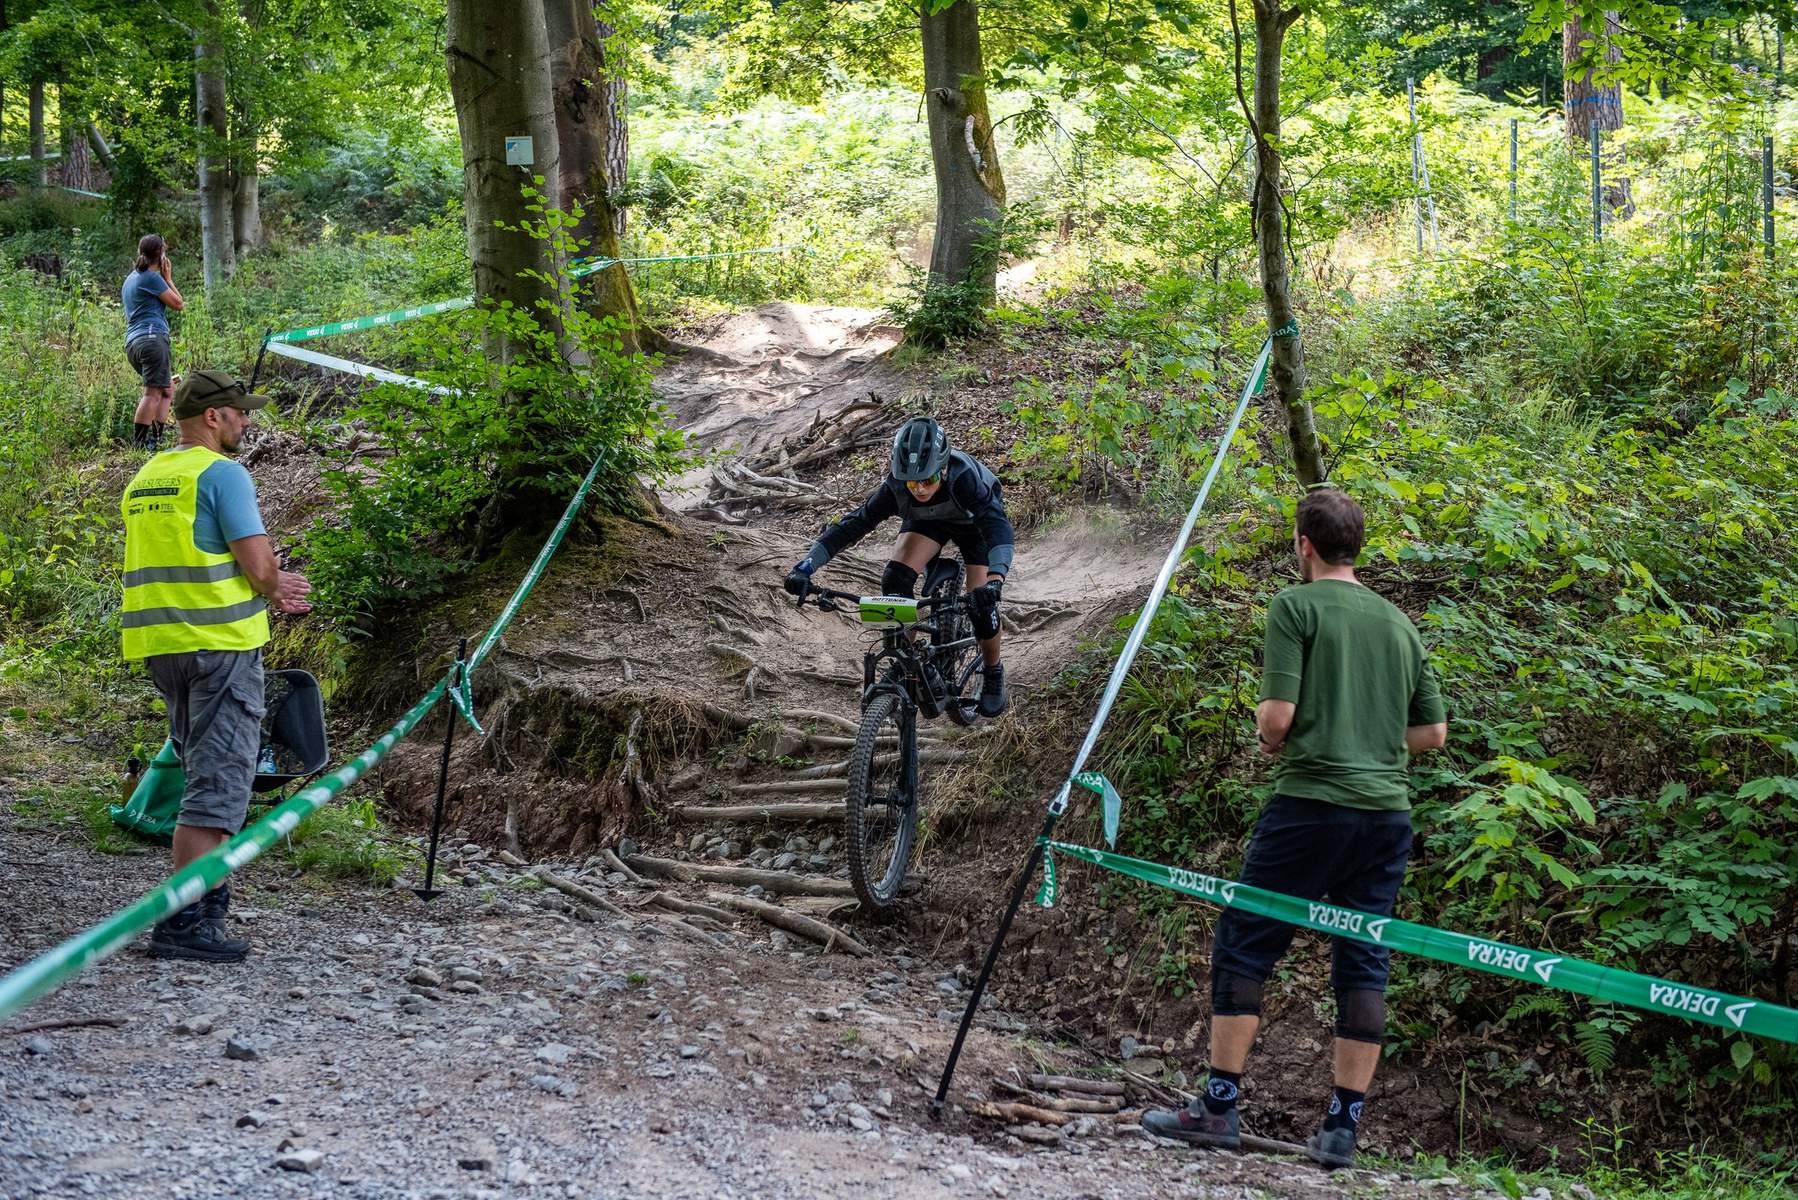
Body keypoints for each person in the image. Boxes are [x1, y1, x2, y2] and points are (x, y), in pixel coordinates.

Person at [1142, 488, 1448, 1169]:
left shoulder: (1296, 606)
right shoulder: (1399, 622)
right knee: (1363, 956)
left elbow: (1276, 719)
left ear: (1304, 545)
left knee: (1246, 940)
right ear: (1356, 547)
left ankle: (1219, 1107)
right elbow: (1433, 731)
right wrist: (1370, 742)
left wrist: (1280, 735)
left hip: (1311, 803)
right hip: (1386, 815)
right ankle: (1341, 1130)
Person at [120, 369, 312, 962]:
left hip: (164, 647)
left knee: (203, 774)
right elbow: (257, 564)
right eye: (240, 412)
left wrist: (269, 584)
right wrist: (276, 585)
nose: (247, 421)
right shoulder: (223, 474)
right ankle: (187, 923)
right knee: (220, 783)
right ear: (213, 416)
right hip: (220, 646)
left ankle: (196, 914)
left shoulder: (148, 476)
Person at [784, 416, 1014, 717]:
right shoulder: (897, 486)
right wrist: (805, 567)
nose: (919, 489)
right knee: (895, 580)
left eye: (927, 480)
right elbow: (855, 524)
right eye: (912, 482)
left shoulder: (965, 479)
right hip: (927, 523)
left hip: (975, 527)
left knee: (981, 603)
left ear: (944, 469)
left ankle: (993, 672)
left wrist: (995, 580)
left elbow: (998, 529)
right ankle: (905, 661)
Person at [123, 234, 185, 451]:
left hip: (133, 343)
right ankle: (139, 444)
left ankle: (157, 440)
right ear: (161, 255)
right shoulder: (151, 278)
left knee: (166, 389)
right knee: (152, 393)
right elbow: (178, 304)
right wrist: (168, 278)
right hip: (152, 339)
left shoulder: (131, 279)